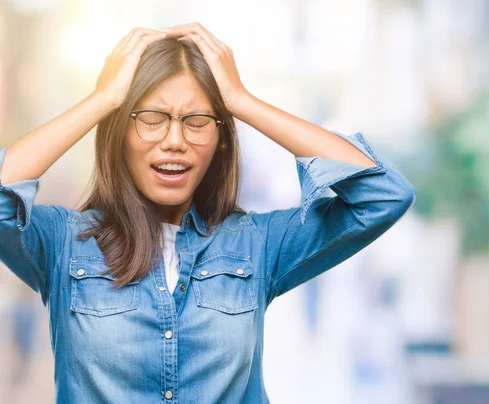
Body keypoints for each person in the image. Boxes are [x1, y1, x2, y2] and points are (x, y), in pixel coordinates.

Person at [0, 22, 415, 403]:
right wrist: (101, 101)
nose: (174, 140)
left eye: (197, 121)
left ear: (220, 138)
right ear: (119, 131)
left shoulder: (257, 246)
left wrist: (243, 101)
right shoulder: (63, 243)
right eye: (152, 117)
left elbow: (382, 195)